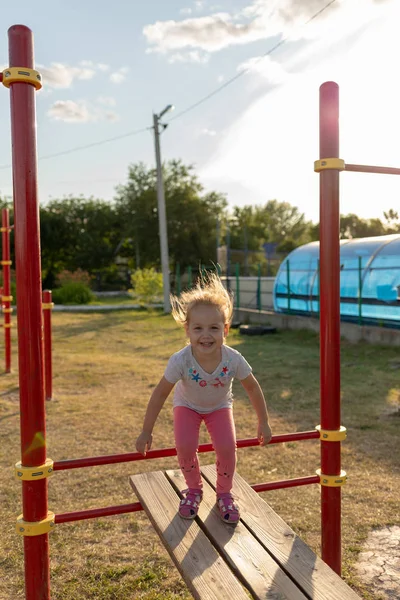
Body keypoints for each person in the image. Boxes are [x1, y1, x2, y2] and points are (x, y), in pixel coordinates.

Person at [135, 272, 272, 524]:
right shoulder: (181, 360)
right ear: (187, 330)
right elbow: (160, 394)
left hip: (219, 406)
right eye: (198, 328)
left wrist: (263, 422)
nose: (205, 335)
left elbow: (252, 388)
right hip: (187, 406)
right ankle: (194, 490)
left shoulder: (233, 359)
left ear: (226, 330)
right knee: (185, 446)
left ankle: (224, 494)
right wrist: (146, 431)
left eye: (214, 328)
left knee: (227, 449)